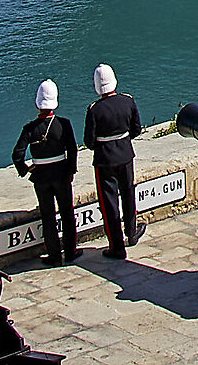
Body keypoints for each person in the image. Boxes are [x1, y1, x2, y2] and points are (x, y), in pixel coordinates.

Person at [11, 80, 78, 265]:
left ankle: (54, 256)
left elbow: (17, 154)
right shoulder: (64, 124)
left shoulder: (29, 128)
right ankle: (71, 252)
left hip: (41, 176)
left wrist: (25, 170)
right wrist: (71, 169)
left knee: (48, 216)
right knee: (67, 213)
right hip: (62, 174)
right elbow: (72, 149)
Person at [84, 64, 143, 257]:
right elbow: (136, 129)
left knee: (109, 203)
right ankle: (132, 233)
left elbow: (89, 141)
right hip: (126, 155)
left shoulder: (94, 110)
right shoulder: (128, 101)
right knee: (128, 194)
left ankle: (117, 246)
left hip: (105, 160)